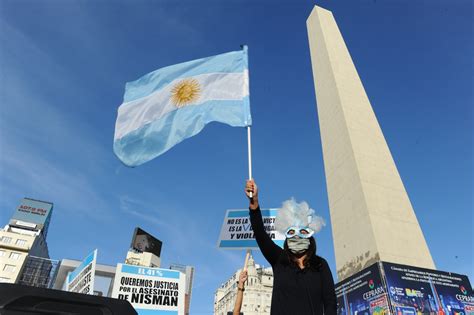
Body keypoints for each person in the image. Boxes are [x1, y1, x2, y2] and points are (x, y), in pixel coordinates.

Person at [245, 179, 337, 315]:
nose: (297, 237)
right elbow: (260, 234)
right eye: (292, 232)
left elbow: (330, 302)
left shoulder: (320, 265)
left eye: (303, 232)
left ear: (310, 236)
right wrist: (254, 202)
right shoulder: (279, 260)